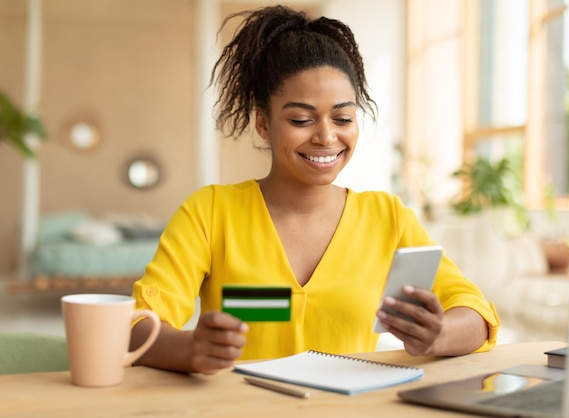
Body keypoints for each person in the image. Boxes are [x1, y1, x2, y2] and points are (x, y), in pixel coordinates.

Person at [130, 5, 500, 375]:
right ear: (263, 123)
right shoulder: (210, 212)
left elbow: (476, 312)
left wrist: (439, 334)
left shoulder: (387, 218)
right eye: (301, 119)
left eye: (343, 118)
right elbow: (136, 325)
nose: (326, 136)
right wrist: (189, 348)